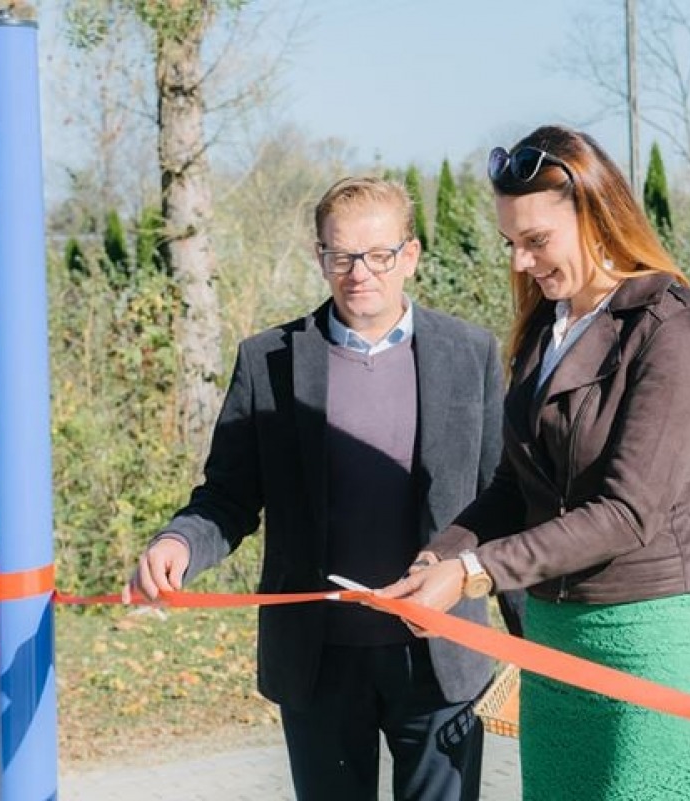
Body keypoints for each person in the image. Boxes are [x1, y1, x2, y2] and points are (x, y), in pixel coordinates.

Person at [379, 125, 690, 800]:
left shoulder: (673, 329)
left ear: (598, 216)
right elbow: (517, 485)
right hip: (553, 646)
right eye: (511, 243)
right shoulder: (547, 329)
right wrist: (442, 556)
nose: (520, 262)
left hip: (650, 648)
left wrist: (474, 571)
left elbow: (628, 512)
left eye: (536, 241)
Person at [127, 176, 514, 801]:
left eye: (379, 254)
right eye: (342, 256)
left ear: (410, 256)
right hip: (318, 662)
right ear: (320, 258)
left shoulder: (470, 353)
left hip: (441, 657)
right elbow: (227, 498)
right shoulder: (268, 361)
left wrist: (528, 642)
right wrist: (179, 543)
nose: (360, 272)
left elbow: (503, 502)